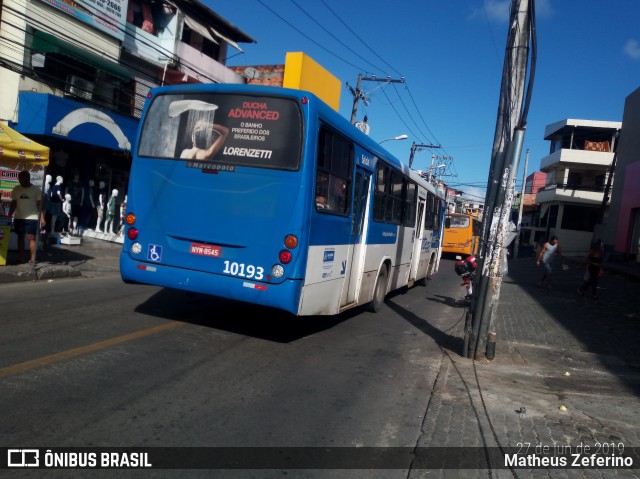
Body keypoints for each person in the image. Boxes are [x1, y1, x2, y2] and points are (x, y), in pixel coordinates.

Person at [8, 170, 45, 265]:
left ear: (28, 179)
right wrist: (8, 215)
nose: (21, 181)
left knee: (31, 237)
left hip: (32, 217)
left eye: (23, 179)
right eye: (20, 179)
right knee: (20, 237)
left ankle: (32, 258)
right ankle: (21, 257)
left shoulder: (36, 190)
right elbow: (13, 203)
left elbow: (39, 205)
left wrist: (42, 218)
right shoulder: (16, 189)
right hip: (19, 216)